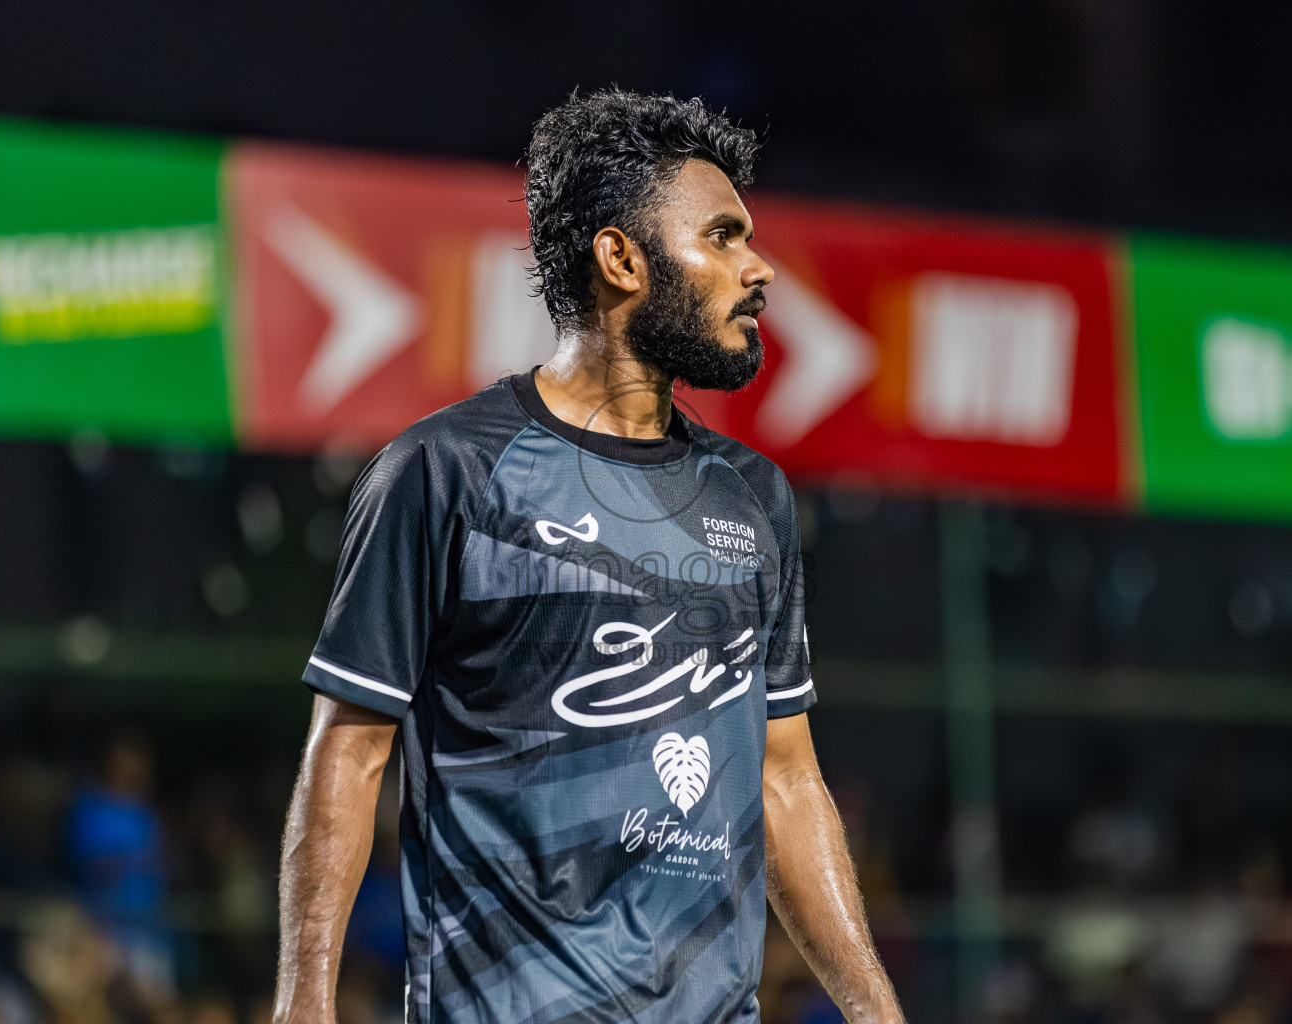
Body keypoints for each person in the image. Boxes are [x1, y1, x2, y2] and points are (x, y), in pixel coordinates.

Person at [274, 89, 906, 1024]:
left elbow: (784, 779)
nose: (759, 267)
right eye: (724, 237)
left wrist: (877, 1013)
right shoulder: (445, 473)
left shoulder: (754, 497)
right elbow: (350, 752)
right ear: (621, 259)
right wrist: (304, 1001)